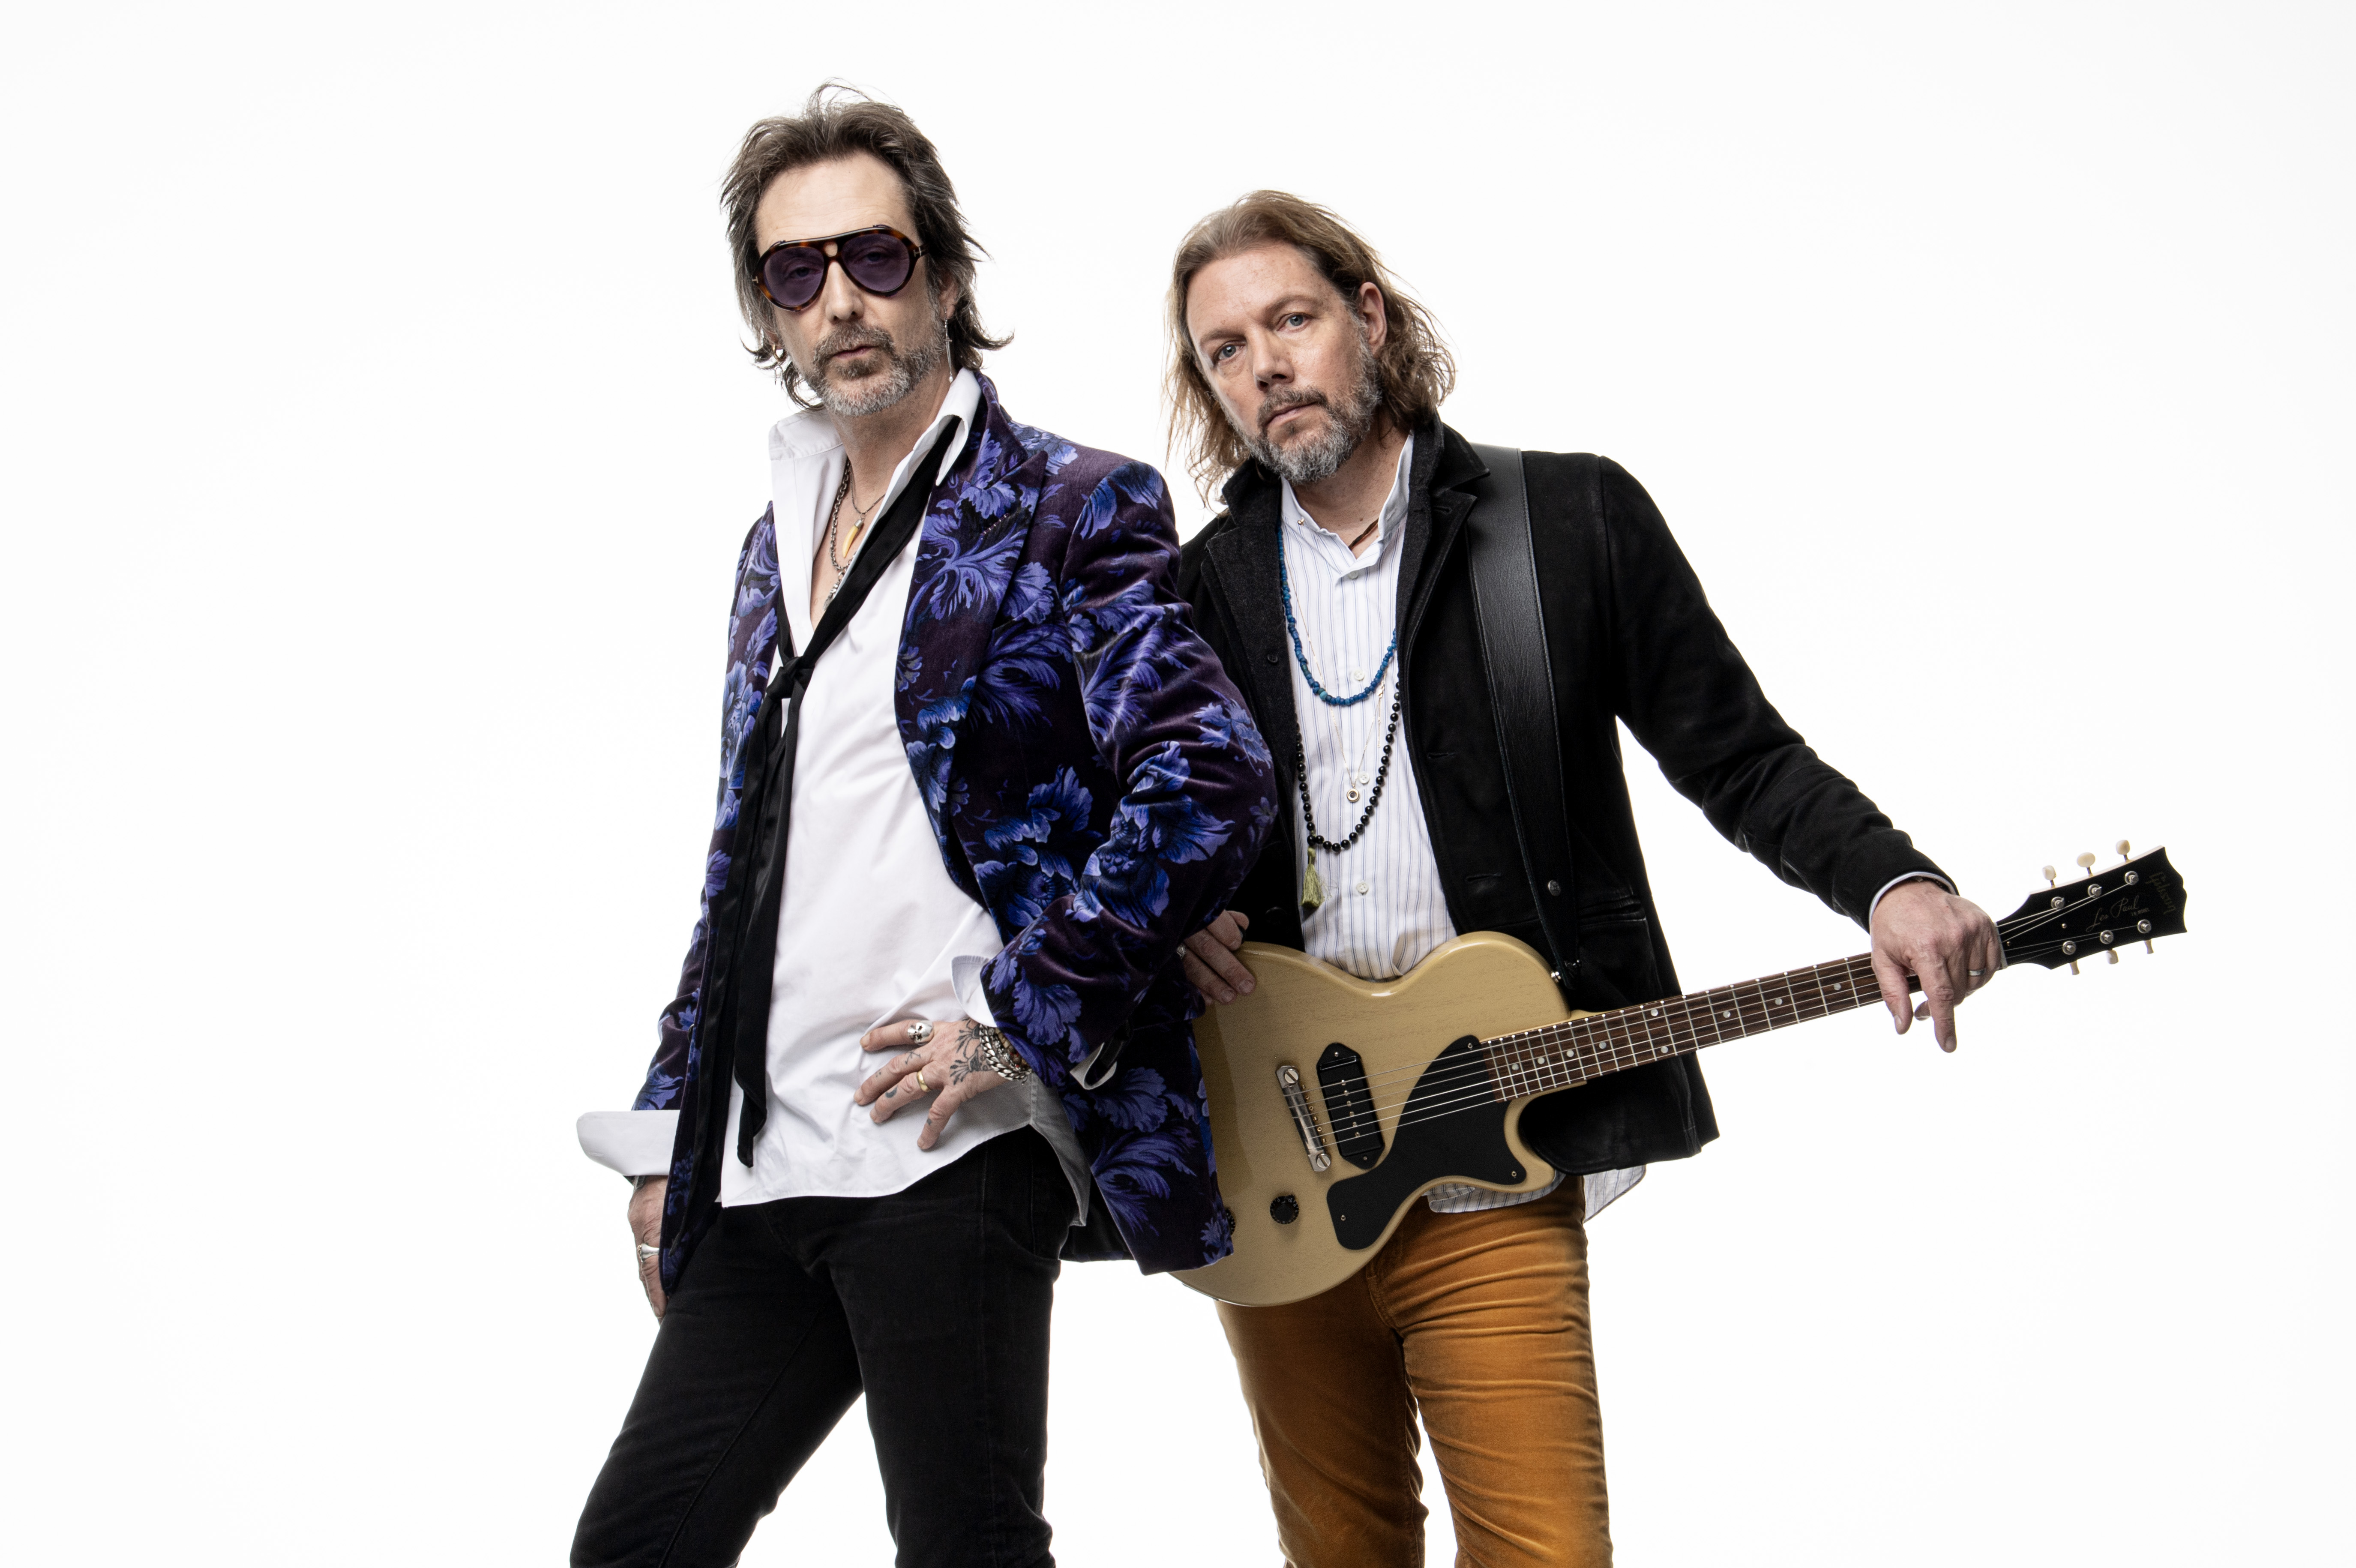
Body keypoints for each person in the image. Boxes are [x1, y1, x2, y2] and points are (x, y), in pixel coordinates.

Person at [1166, 192, 2001, 1568]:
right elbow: (1122, 840)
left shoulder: (1559, 522)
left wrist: (1890, 883)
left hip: (1493, 1148)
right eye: (1224, 349)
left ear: (1367, 315)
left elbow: (1738, 755)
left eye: (1291, 319)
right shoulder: (1192, 595)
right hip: (1274, 1165)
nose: (1264, 365)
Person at [570, 90, 1275, 1568]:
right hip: (765, 1157)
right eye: (795, 270)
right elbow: (745, 859)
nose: (838, 299)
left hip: (947, 1148)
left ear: (946, 276)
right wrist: (667, 1125)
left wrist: (1017, 1020)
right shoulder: (772, 545)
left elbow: (1206, 773)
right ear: (765, 309)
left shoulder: (1072, 504)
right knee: (634, 1546)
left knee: (965, 1549)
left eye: (874, 257)